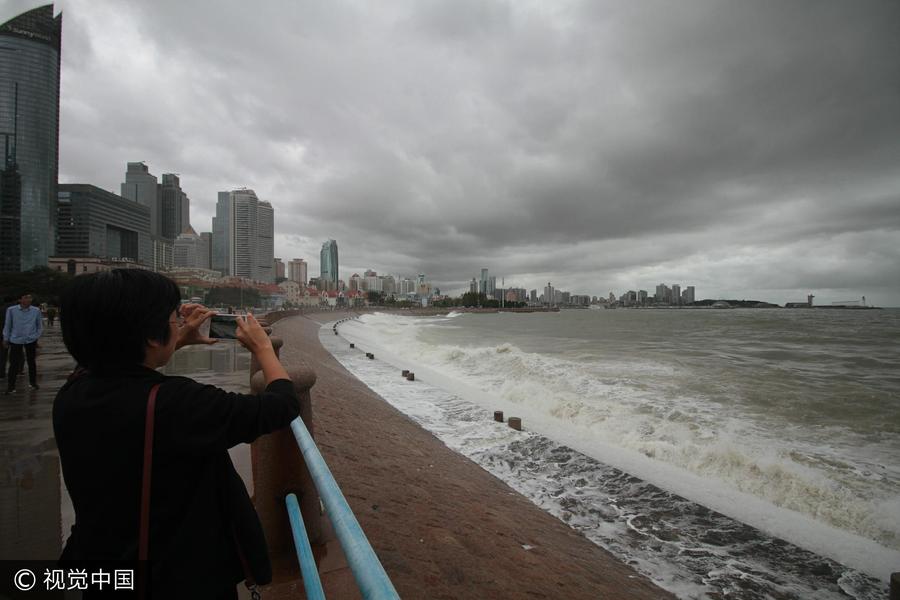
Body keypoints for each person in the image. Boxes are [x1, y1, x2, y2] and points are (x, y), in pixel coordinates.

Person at [53, 269, 299, 598]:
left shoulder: (72, 392)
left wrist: (175, 341)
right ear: (151, 335)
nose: (177, 323)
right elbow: (281, 405)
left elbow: (125, 375)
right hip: (178, 578)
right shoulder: (179, 404)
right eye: (173, 317)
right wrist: (263, 349)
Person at [3, 293, 43, 393]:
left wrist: (35, 336)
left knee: (31, 362)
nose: (29, 300)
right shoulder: (11, 310)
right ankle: (11, 387)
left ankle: (33, 383)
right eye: (26, 298)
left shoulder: (36, 310)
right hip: (16, 339)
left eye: (30, 297)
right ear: (20, 300)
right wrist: (6, 338)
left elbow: (39, 326)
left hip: (30, 339)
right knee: (14, 363)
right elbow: (8, 325)